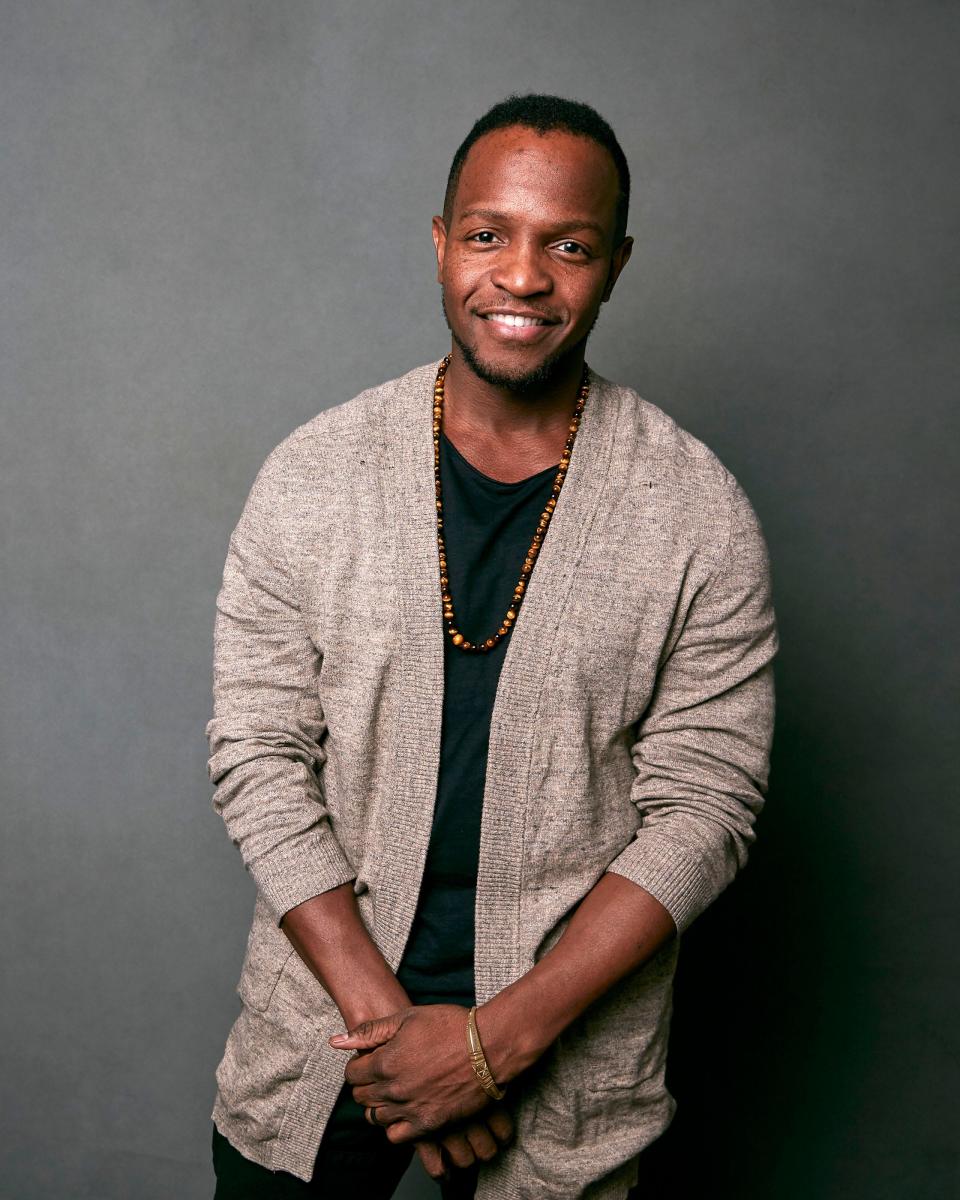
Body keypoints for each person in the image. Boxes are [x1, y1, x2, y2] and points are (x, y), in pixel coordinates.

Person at [205, 93, 779, 1200]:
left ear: (614, 264)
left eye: (567, 245)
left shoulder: (697, 510)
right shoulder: (312, 476)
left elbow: (706, 806)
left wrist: (496, 1045)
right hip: (323, 1037)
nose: (522, 276)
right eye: (488, 235)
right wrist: (397, 1047)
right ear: (440, 242)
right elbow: (258, 759)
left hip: (563, 1059)